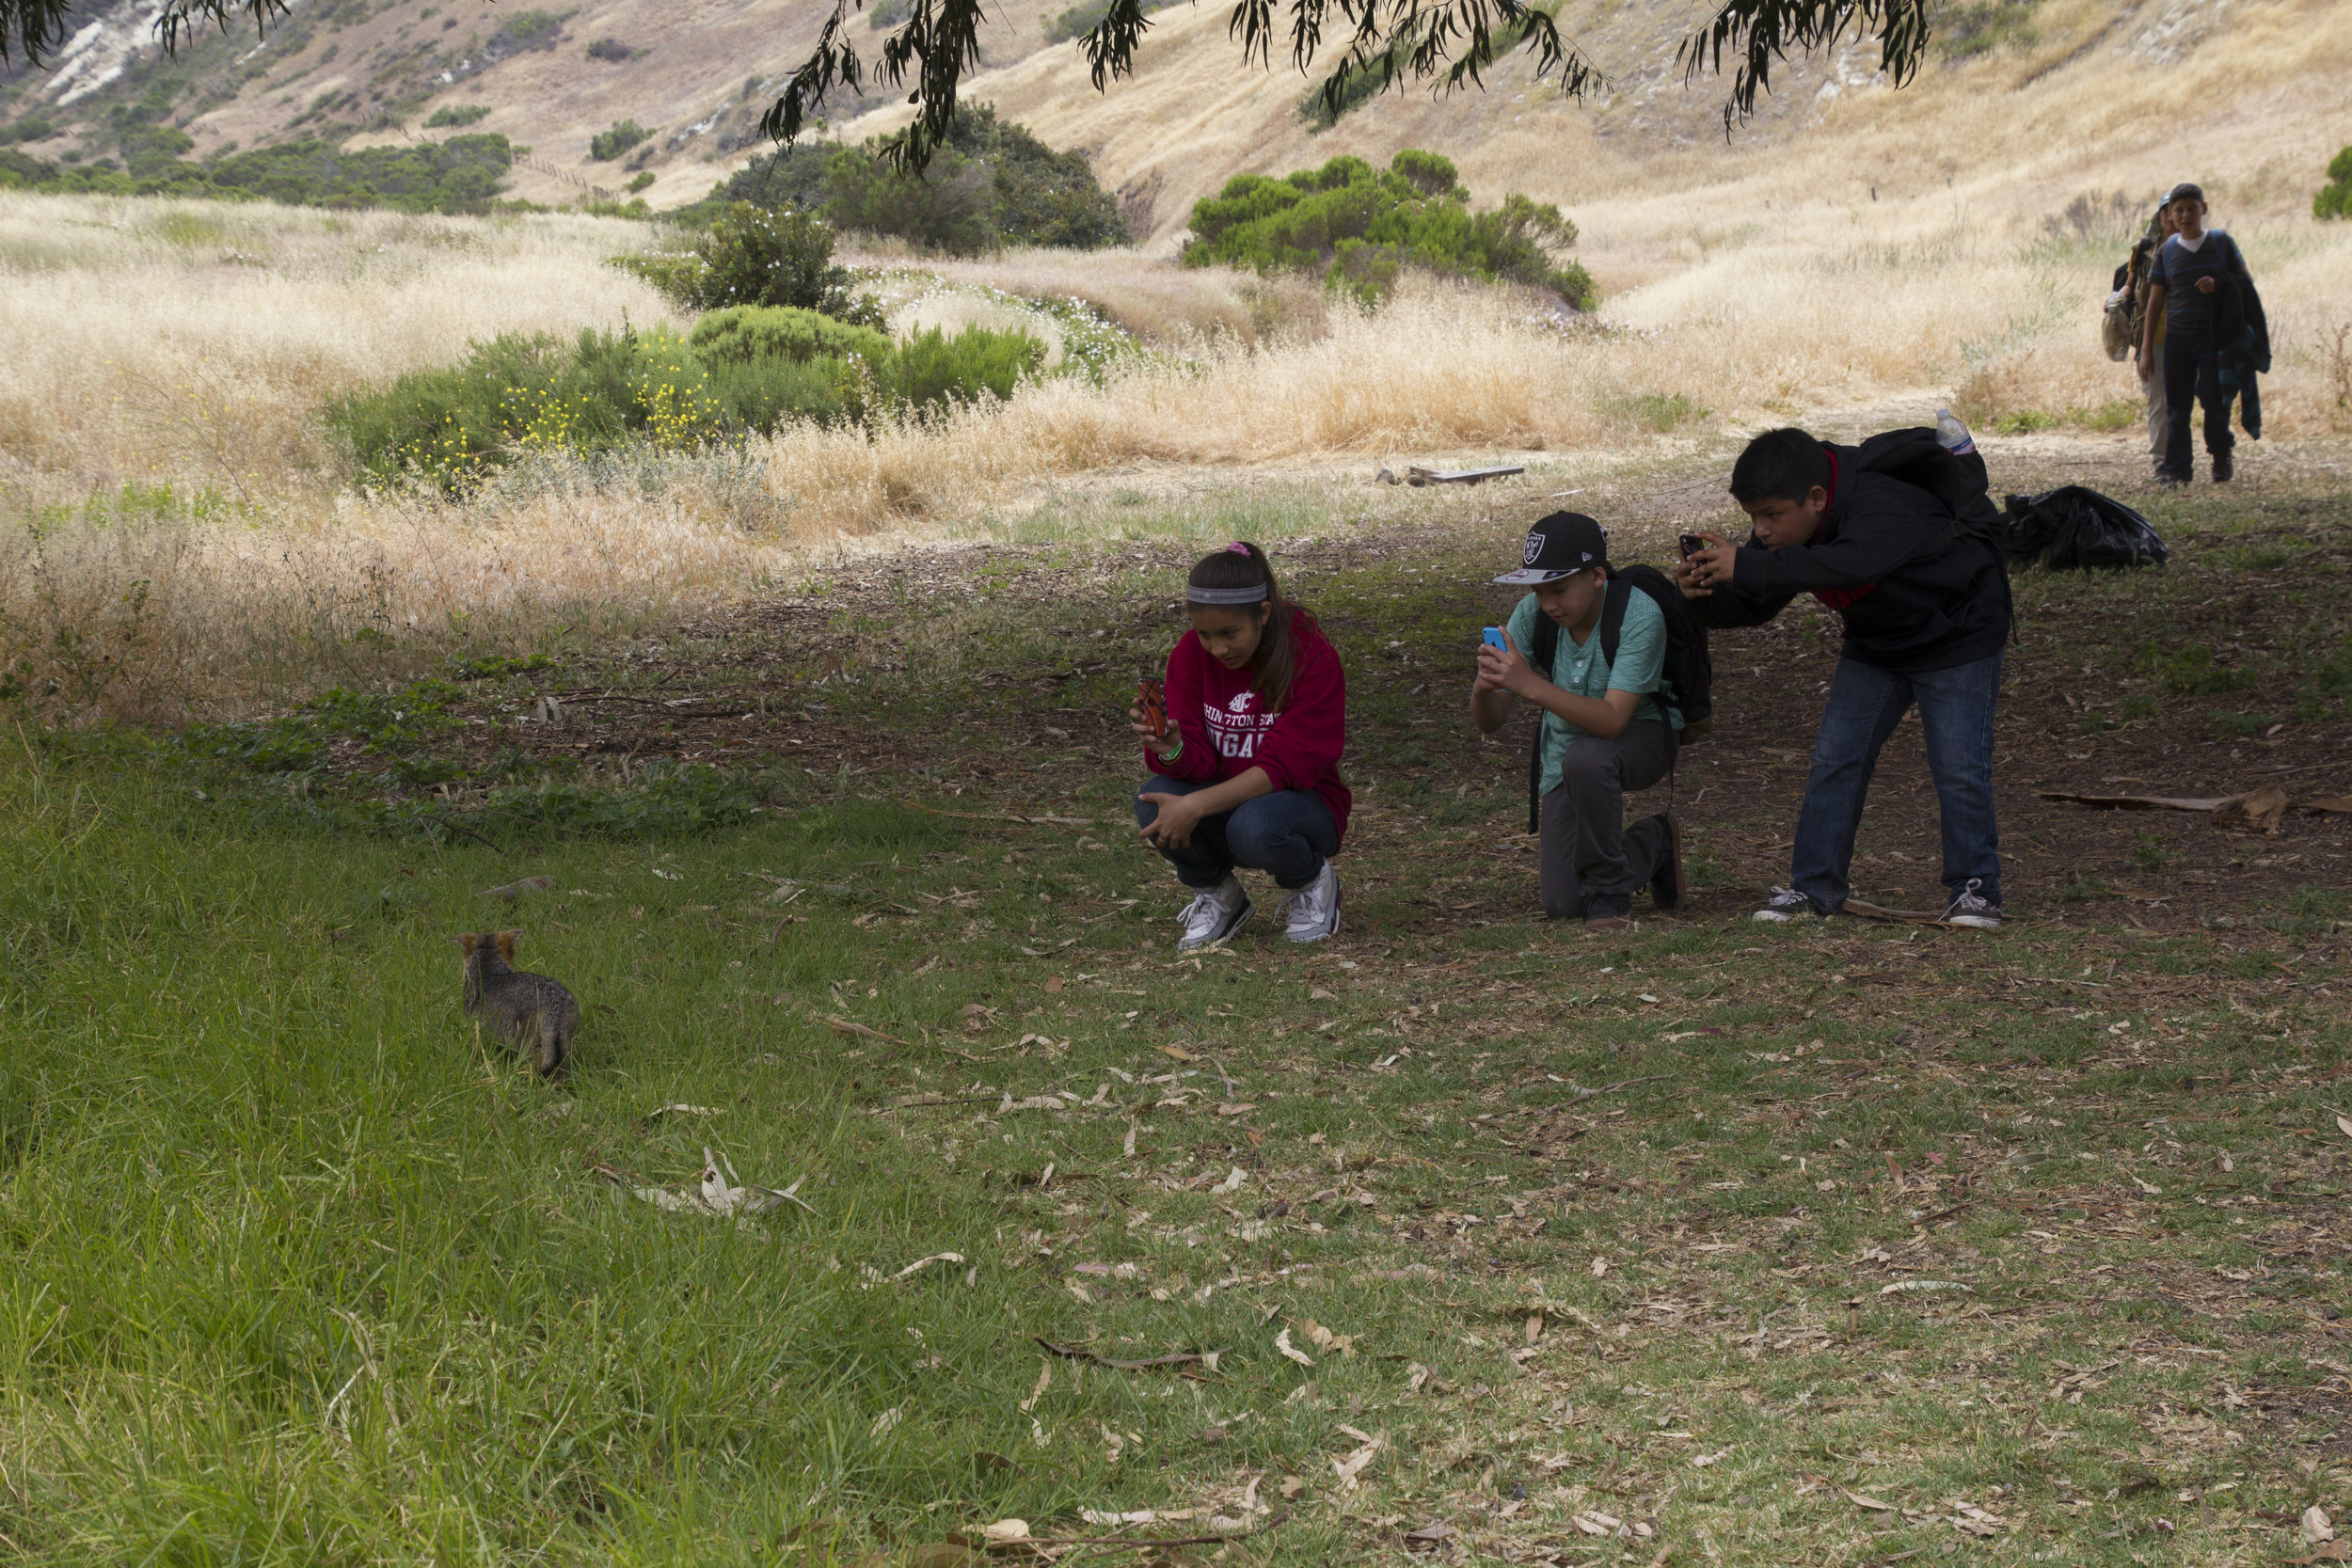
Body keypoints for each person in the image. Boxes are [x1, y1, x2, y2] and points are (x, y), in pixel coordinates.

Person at [1677, 428, 2010, 930]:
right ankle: (1814, 888)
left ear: (1816, 498)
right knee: (1837, 758)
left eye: (1771, 516)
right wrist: (1701, 594)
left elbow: (1850, 565)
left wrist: (1749, 564)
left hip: (1958, 637)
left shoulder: (1883, 503)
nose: (1762, 531)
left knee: (1959, 767)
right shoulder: (1794, 520)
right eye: (1753, 518)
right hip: (1877, 644)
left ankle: (1975, 892)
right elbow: (1760, 597)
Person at [1468, 512, 1681, 931]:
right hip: (1568, 752)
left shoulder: (1639, 616)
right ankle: (1655, 842)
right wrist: (1484, 688)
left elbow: (1614, 721)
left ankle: (1609, 891)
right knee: (1564, 903)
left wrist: (1528, 684)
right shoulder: (1534, 614)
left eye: (1559, 589)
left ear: (1597, 575)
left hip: (1643, 736)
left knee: (1588, 757)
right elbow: (1490, 723)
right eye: (1538, 590)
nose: (1547, 604)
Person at [1132, 542, 1348, 949]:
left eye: (1230, 634)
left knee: (1254, 824)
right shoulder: (1190, 656)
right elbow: (1195, 760)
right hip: (1225, 802)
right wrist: (1172, 749)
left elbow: (1284, 767)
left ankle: (1312, 882)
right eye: (1205, 635)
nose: (1218, 649)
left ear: (1262, 614)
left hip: (1300, 804)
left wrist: (1195, 805)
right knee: (1152, 800)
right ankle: (1220, 895)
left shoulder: (1311, 657)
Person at [2138, 182, 2253, 485]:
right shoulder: (2166, 251)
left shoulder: (2221, 243)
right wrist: (2146, 349)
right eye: (2178, 210)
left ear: (2203, 208)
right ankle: (2178, 472)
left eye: (2191, 208)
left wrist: (2219, 284)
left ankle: (2220, 453)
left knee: (2215, 402)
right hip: (2177, 340)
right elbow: (2155, 302)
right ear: (2170, 215)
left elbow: (2245, 284)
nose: (2185, 215)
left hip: (2213, 339)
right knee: (2177, 408)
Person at [2118, 196, 2180, 479]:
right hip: (2150, 335)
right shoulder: (2143, 250)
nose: (2171, 216)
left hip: (2188, 335)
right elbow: (2129, 286)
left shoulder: (2199, 248)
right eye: (2166, 210)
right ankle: (2161, 465)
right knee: (2158, 400)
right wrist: (2117, 299)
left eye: (2177, 210)